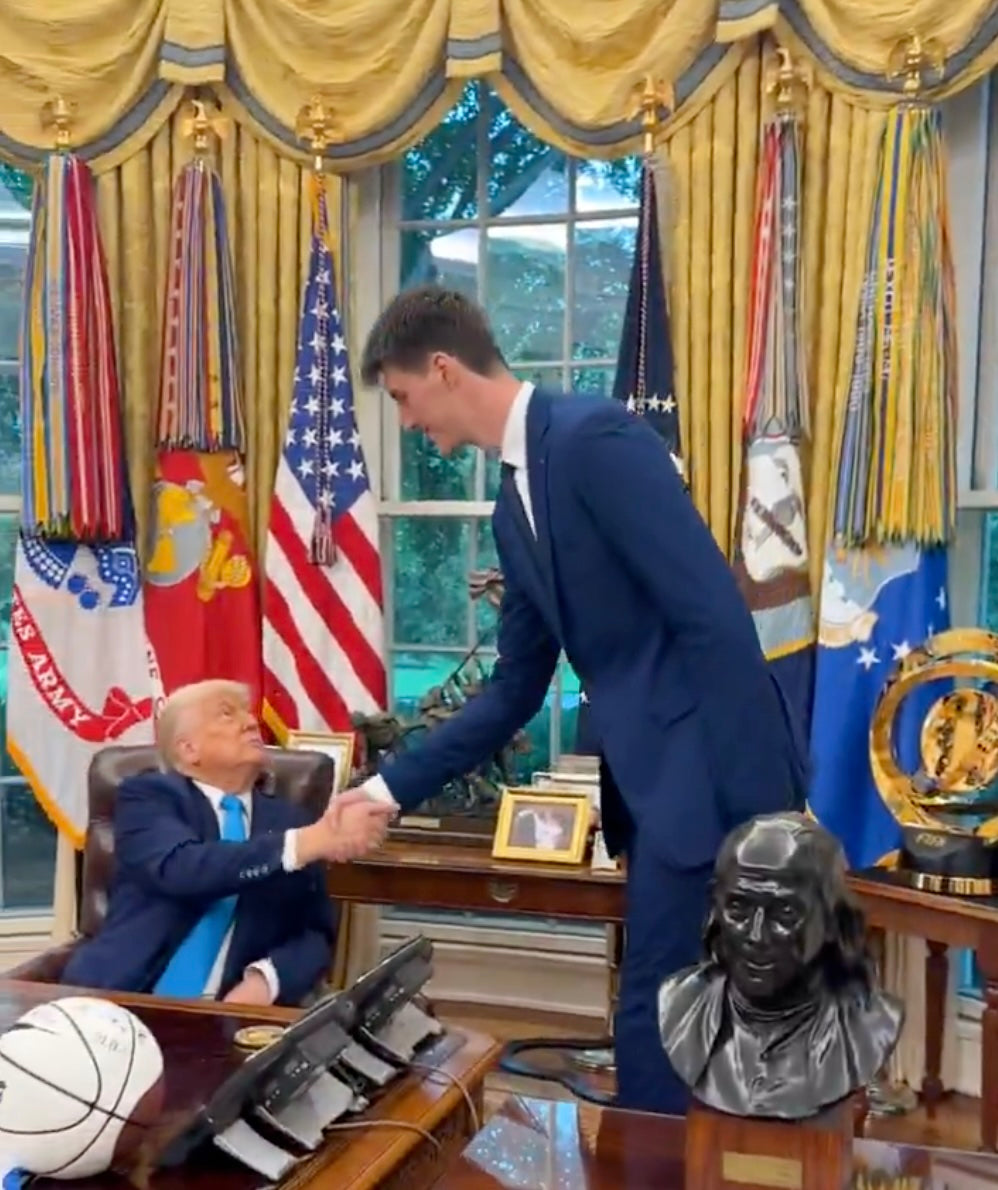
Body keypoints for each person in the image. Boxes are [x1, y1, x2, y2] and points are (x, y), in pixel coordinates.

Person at [354, 285, 808, 1114]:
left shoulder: (594, 439)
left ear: (444, 368)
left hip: (714, 778)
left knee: (664, 1019)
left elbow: (712, 618)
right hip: (654, 788)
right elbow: (514, 690)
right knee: (661, 1015)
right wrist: (386, 790)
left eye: (404, 398)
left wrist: (763, 819)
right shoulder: (512, 509)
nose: (408, 422)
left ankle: (662, 1168)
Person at [63, 680, 393, 1007]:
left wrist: (267, 980)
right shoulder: (149, 797)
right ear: (188, 749)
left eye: (247, 713)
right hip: (124, 999)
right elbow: (180, 869)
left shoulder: (292, 821)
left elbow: (313, 933)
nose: (250, 722)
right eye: (226, 714)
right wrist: (300, 844)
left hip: (230, 1011)